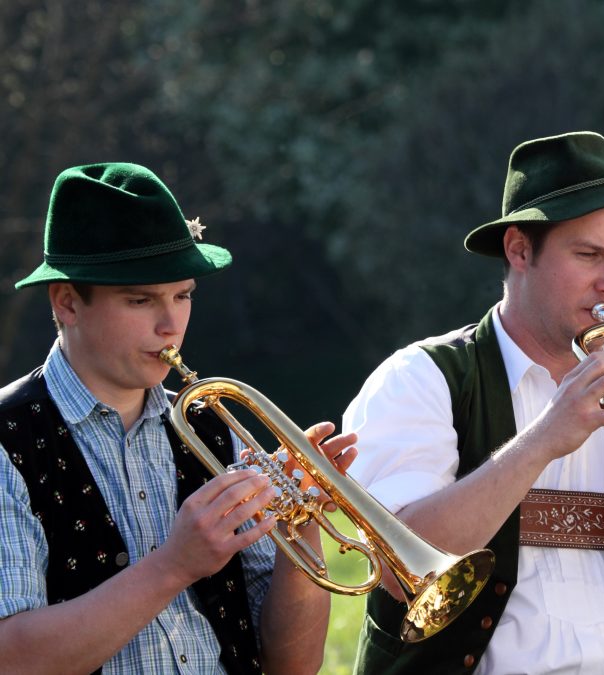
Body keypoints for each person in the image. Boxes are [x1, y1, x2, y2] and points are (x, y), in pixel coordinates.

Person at [343, 131, 604, 674]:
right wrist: (544, 439)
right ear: (519, 249)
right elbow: (400, 571)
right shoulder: (420, 378)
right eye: (589, 255)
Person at [0, 163, 357, 674]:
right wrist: (174, 564)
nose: (171, 326)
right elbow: (11, 659)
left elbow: (292, 665)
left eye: (183, 295)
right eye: (140, 299)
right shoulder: (7, 441)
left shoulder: (212, 430)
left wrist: (299, 528)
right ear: (68, 303)